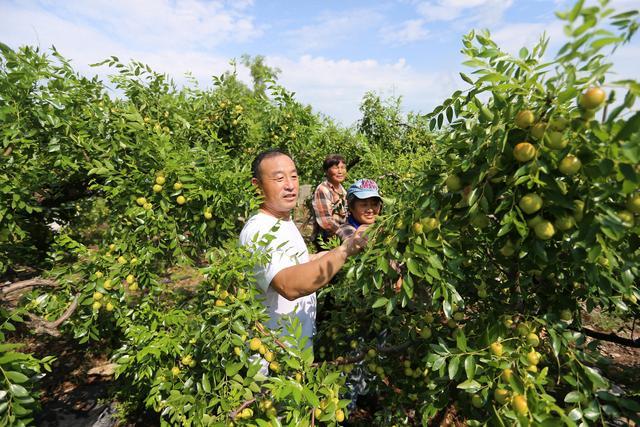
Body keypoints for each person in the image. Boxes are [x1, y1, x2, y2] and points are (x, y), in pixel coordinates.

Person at [239, 149, 367, 349]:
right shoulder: (261, 229)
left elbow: (289, 260)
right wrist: (343, 250)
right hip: (274, 357)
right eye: (279, 178)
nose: (290, 185)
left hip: (294, 350)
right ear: (258, 186)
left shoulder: (282, 220)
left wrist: (319, 256)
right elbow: (288, 285)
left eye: (294, 176)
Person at [311, 155, 348, 244]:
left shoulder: (342, 190)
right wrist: (345, 235)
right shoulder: (323, 189)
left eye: (342, 168)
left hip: (340, 237)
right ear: (327, 171)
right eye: (336, 168)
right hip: (327, 240)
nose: (340, 171)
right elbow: (326, 222)